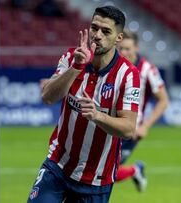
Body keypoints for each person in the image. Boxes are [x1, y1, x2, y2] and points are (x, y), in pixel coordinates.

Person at [27, 6, 141, 203]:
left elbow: (129, 129)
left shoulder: (128, 75)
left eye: (106, 31)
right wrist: (77, 67)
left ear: (118, 38)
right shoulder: (72, 57)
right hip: (58, 165)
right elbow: (47, 97)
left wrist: (98, 116)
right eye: (94, 28)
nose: (97, 35)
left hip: (96, 179)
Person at [115, 30, 169, 191]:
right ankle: (135, 170)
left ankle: (134, 170)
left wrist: (145, 126)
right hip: (109, 125)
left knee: (106, 173)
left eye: (127, 49)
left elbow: (163, 100)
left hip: (130, 131)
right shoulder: (114, 65)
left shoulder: (147, 70)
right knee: (101, 172)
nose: (123, 52)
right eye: (121, 48)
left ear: (137, 48)